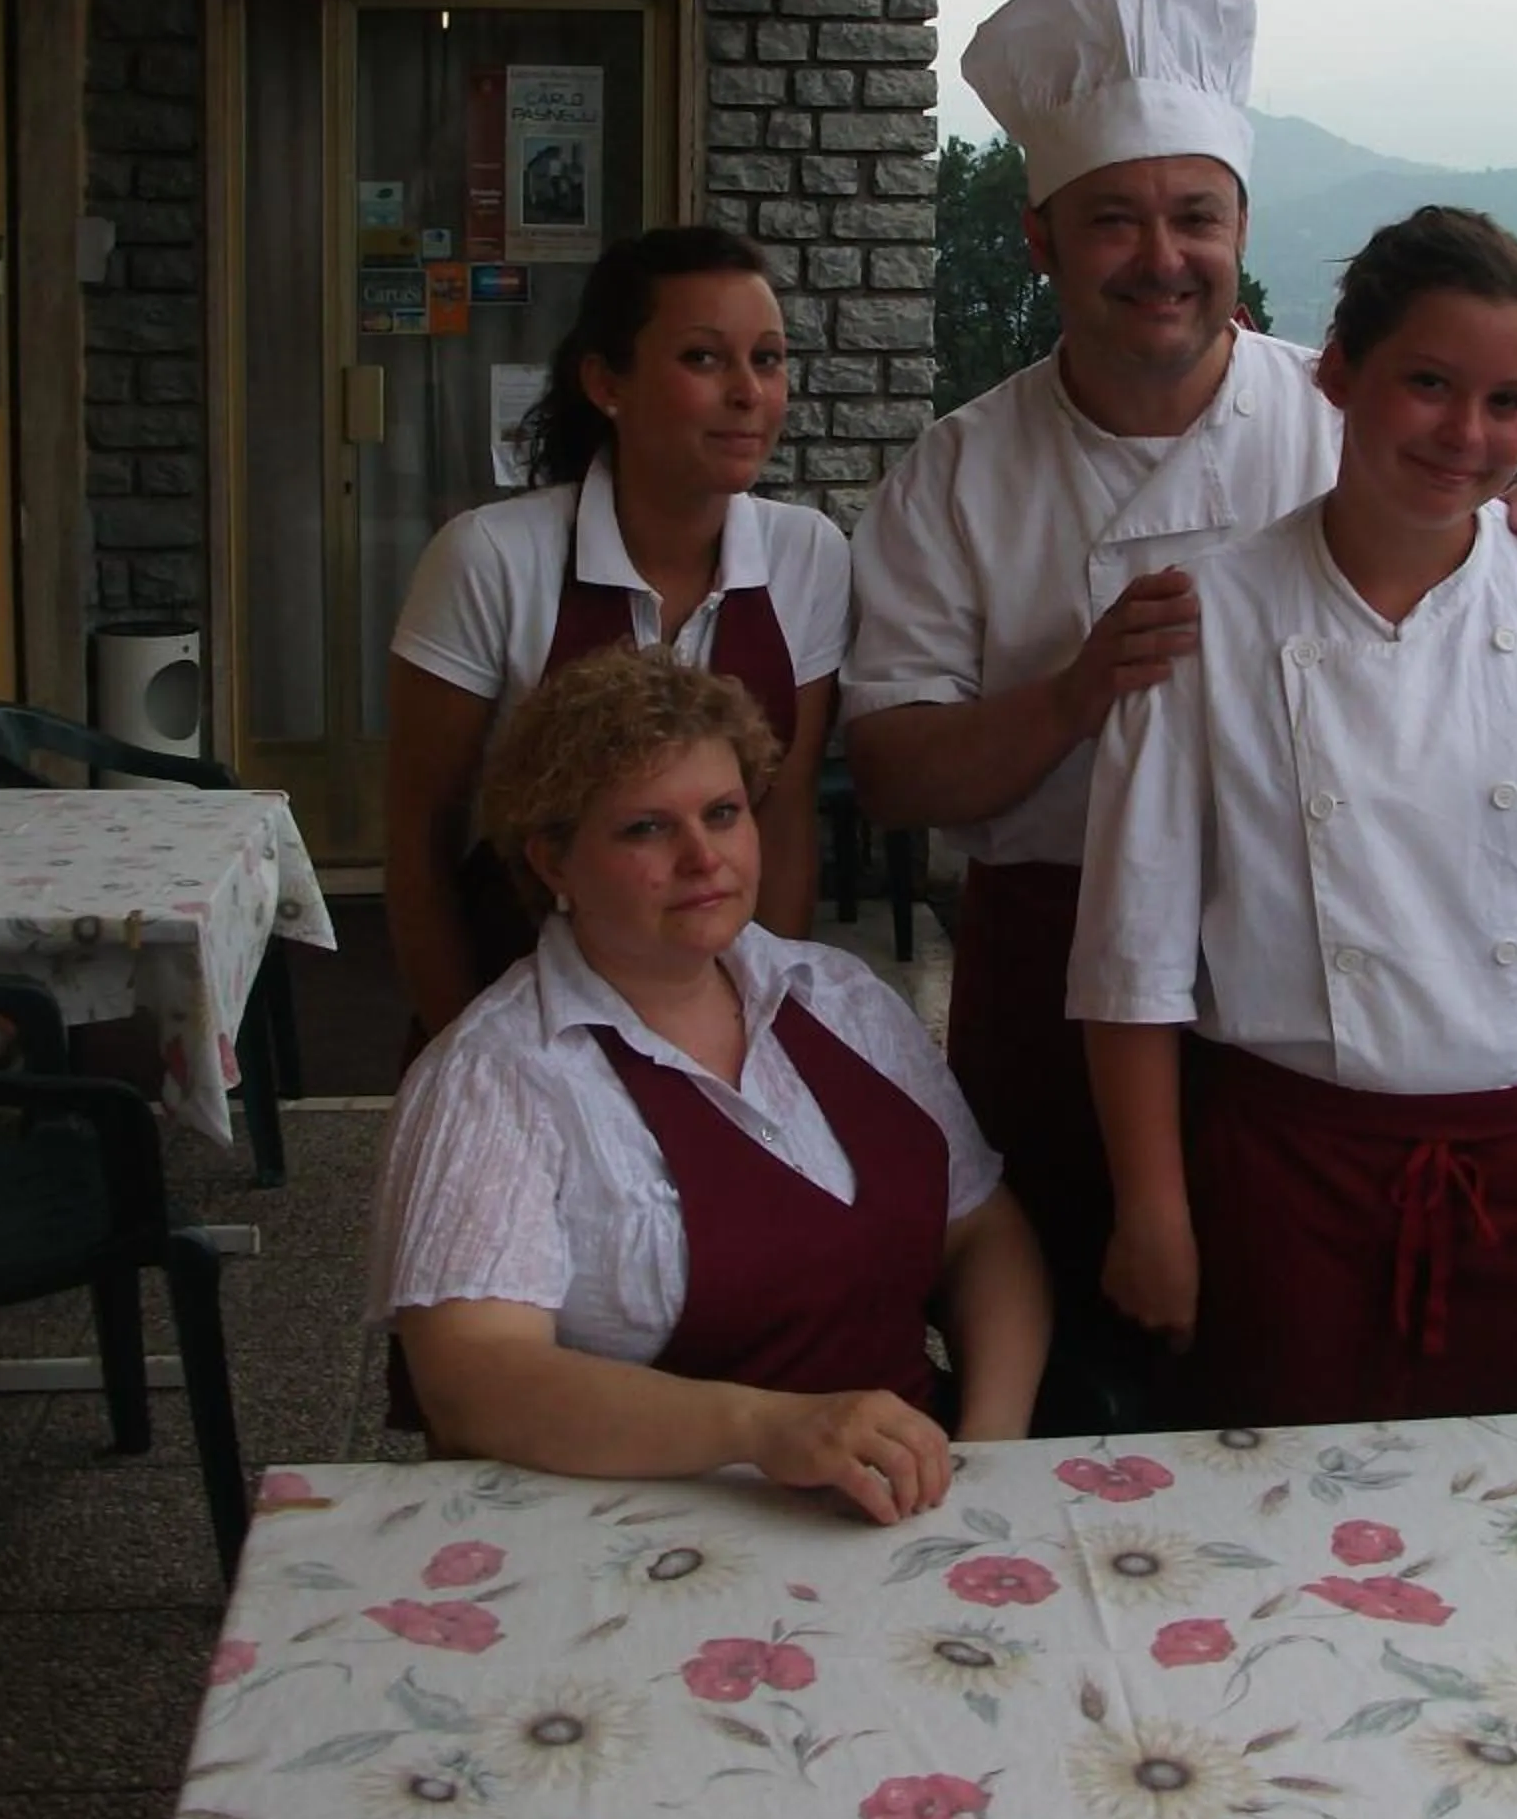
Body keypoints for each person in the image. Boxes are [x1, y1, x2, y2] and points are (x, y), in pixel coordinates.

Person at [844, 0, 1517, 1306]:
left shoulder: (1346, 425)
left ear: (1239, 230)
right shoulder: (956, 473)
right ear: (1039, 241)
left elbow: (1475, 572)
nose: (1160, 260)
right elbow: (897, 775)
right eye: (1111, 222)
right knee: (1070, 1333)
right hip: (1046, 957)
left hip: (1318, 972)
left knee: (1292, 1336)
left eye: (1193, 217)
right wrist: (1077, 693)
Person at [1068, 204, 1517, 1428]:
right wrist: (1154, 1211)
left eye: (1507, 402)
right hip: (1288, 1186)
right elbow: (1133, 958)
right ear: (1339, 373)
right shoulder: (1205, 622)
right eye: (1430, 384)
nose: (1468, 434)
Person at [369, 645, 1050, 1517]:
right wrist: (762, 1428)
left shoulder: (840, 999)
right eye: (646, 828)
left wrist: (988, 1454)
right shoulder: (496, 1077)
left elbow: (984, 1233)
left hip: (914, 1504)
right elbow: (475, 1379)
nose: (704, 858)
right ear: (551, 863)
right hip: (648, 1539)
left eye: (723, 813)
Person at [385, 226, 848, 1040]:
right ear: (606, 382)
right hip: (518, 1009)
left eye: (768, 359)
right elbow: (420, 841)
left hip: (715, 1021)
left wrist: (770, 1039)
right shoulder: (491, 558)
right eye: (704, 359)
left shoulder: (806, 554)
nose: (748, 392)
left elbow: (784, 817)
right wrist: (466, 1051)